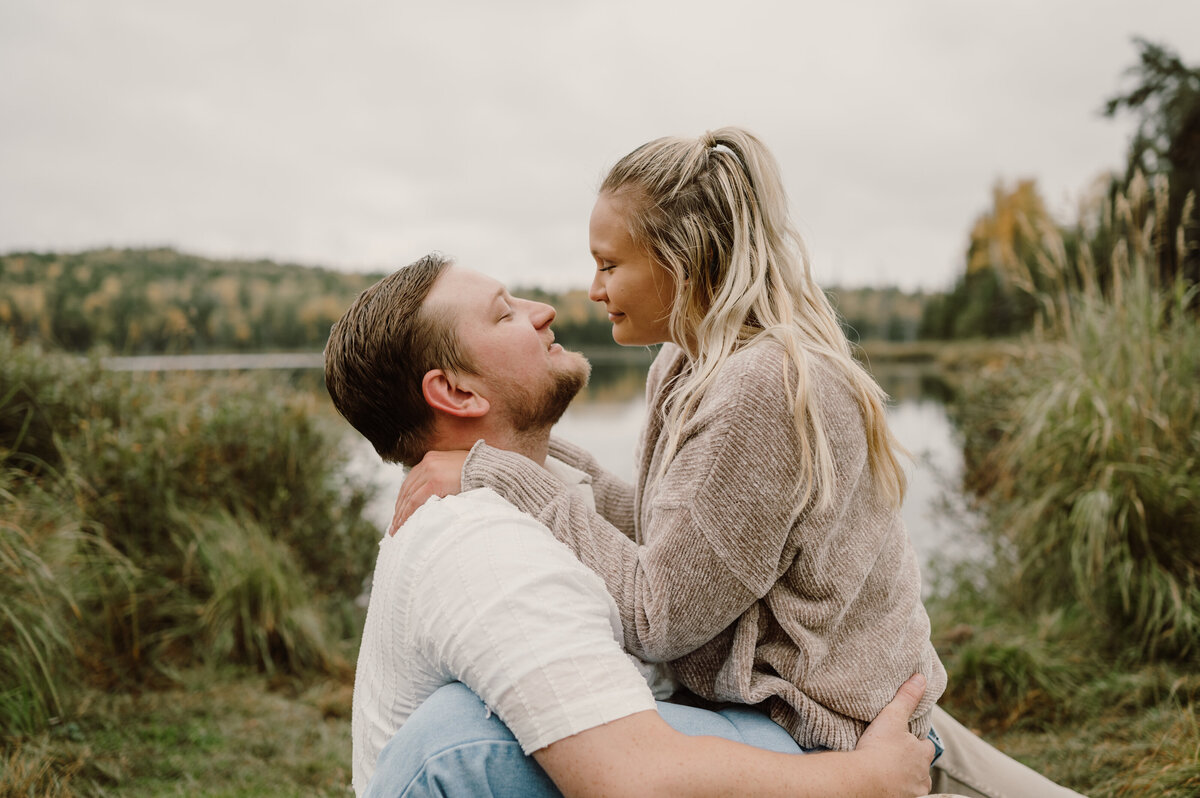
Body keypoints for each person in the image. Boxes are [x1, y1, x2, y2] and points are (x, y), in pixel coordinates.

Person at [393, 128, 1087, 797]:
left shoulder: (763, 387)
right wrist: (515, 459)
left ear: (682, 261)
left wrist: (500, 474)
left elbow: (658, 611)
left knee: (463, 742)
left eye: (610, 264)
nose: (593, 289)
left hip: (823, 730)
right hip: (808, 707)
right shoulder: (685, 362)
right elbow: (683, 530)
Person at [324, 254, 949, 798]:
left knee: (935, 741)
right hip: (656, 764)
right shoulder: (482, 547)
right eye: (503, 314)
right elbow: (633, 776)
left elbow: (639, 535)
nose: (543, 309)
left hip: (773, 718)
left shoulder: (502, 496)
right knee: (456, 739)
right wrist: (869, 779)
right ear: (457, 393)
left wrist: (498, 466)